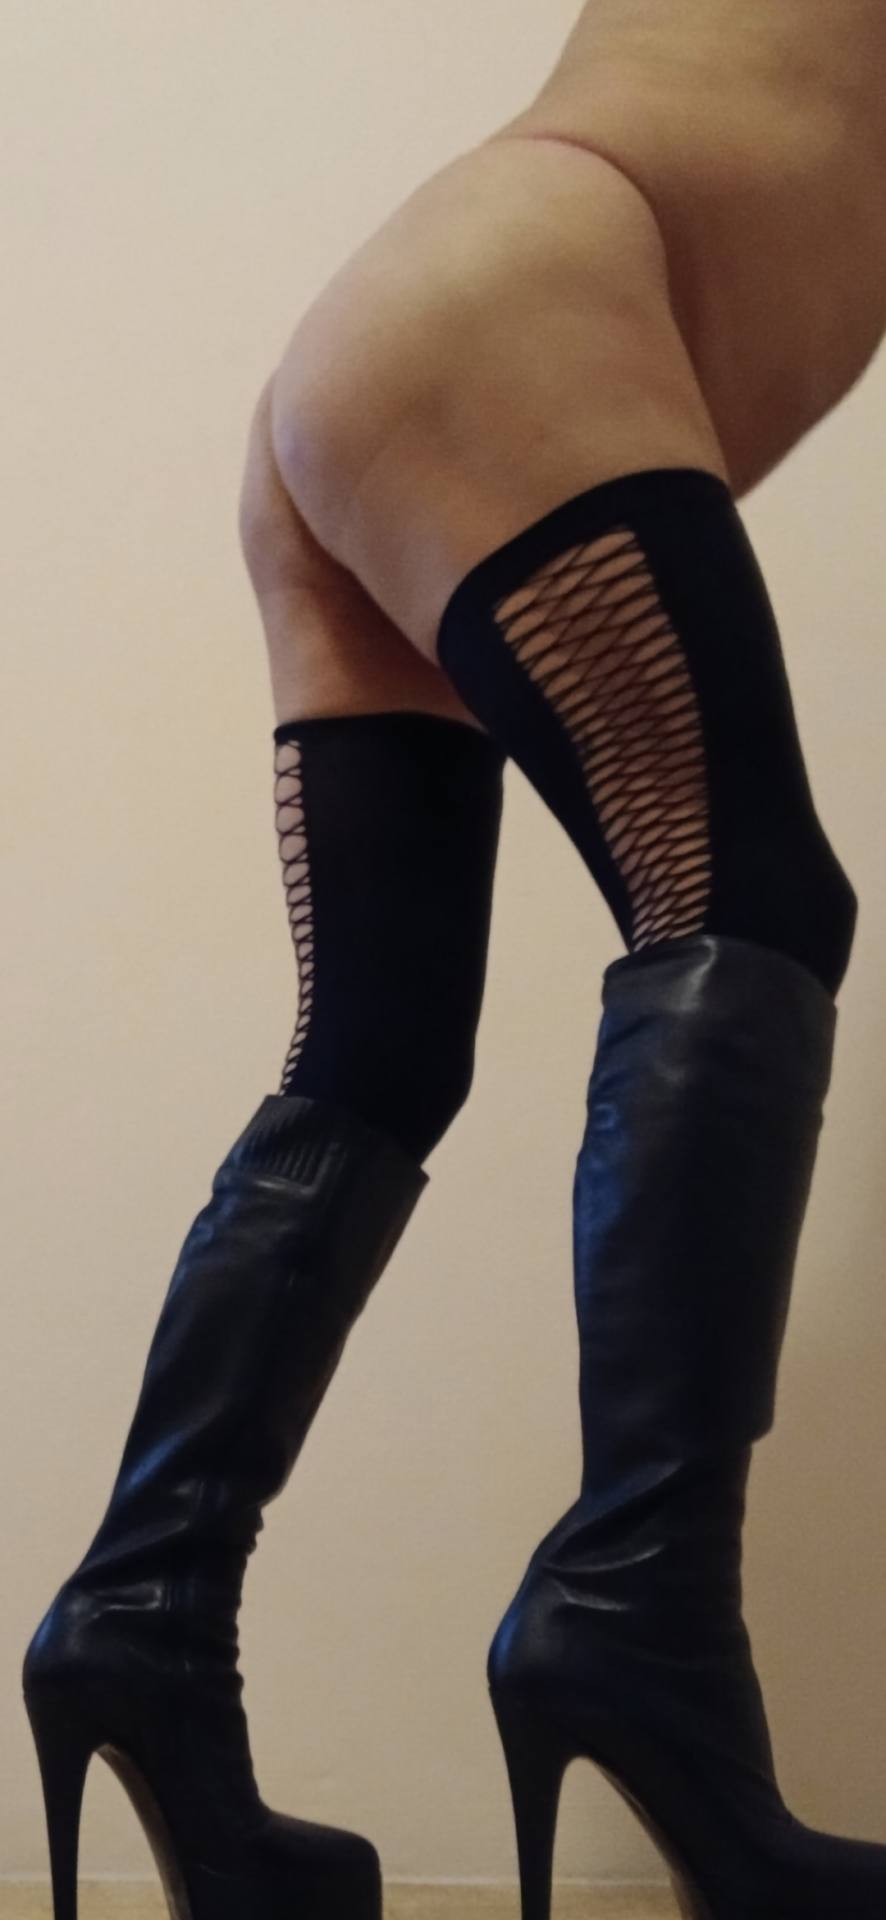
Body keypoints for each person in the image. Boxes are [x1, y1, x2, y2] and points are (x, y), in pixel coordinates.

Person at [22, 5, 886, 1916]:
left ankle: (138, 1619)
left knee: (378, 1055)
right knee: (745, 896)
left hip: (399, 347)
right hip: (521, 298)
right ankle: (637, 1609)